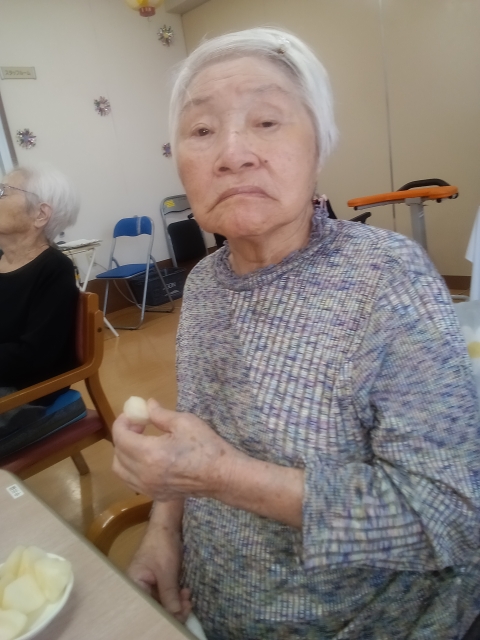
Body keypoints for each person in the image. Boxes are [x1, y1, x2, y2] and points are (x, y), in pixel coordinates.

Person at [112, 28, 480, 639]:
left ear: (319, 147)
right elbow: (196, 426)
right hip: (208, 608)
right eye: (202, 130)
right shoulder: (202, 284)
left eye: (266, 121)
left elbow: (453, 517)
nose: (232, 153)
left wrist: (224, 476)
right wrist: (163, 530)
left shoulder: (387, 278)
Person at [0, 165, 85, 458]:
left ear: (40, 214)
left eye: (3, 192)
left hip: (27, 391)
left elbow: (34, 355)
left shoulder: (55, 269)